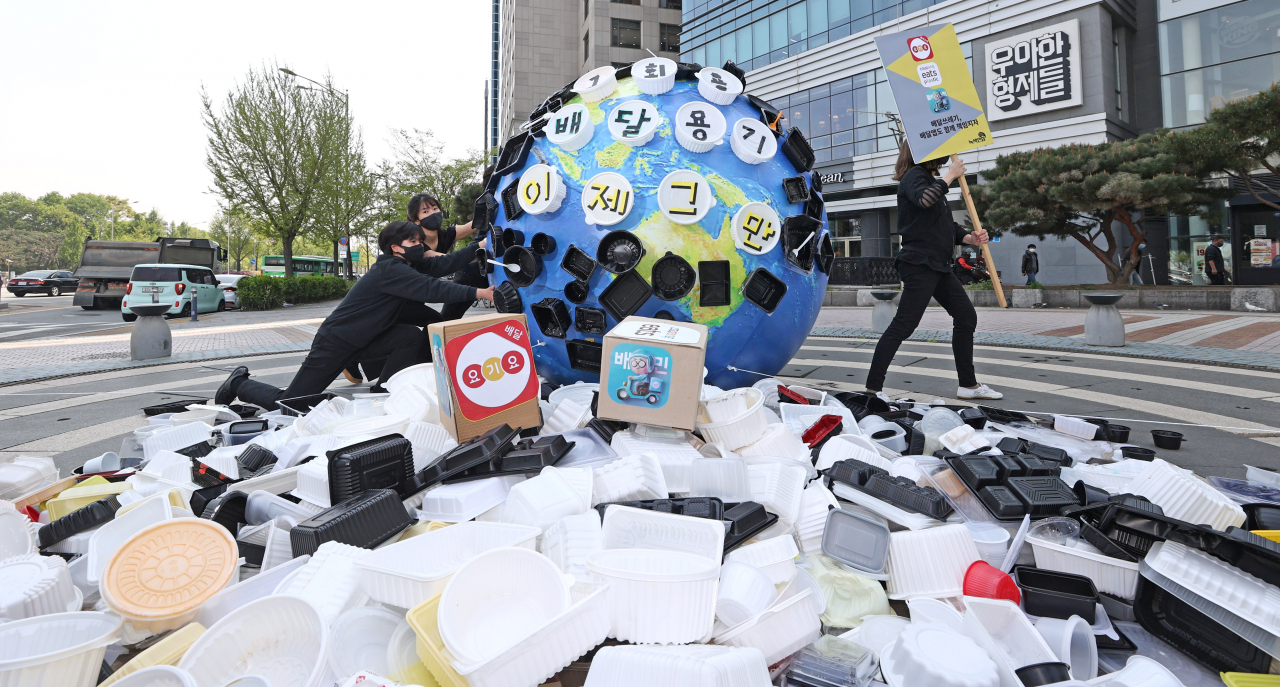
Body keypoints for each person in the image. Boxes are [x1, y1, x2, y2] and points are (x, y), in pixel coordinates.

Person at [215, 221, 495, 410]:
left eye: (420, 240)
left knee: (409, 337)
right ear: (396, 247)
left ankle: (385, 392)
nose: (420, 245)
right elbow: (433, 289)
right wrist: (482, 293)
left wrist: (479, 246)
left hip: (365, 341)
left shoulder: (408, 265)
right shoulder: (391, 270)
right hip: (336, 342)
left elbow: (444, 264)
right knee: (293, 404)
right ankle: (238, 383)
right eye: (413, 240)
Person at [863, 145, 1004, 402]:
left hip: (938, 265)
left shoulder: (928, 180)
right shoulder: (914, 176)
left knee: (965, 316)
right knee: (904, 325)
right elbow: (924, 200)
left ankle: (968, 385)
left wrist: (969, 237)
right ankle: (874, 389)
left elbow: (944, 225)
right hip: (918, 263)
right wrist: (950, 175)